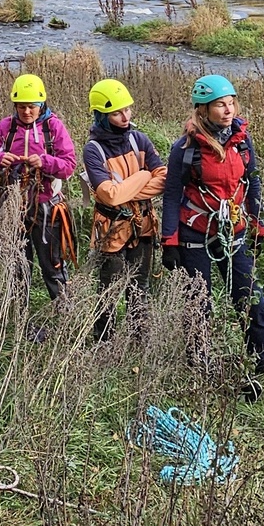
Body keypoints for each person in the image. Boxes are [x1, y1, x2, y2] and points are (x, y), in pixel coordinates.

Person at [160, 75, 264, 375]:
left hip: (234, 231)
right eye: (220, 105)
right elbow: (172, 193)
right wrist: (170, 241)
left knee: (250, 296)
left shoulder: (242, 140)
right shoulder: (184, 149)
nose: (228, 110)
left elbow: (251, 182)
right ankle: (200, 364)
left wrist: (259, 224)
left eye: (231, 103)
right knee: (198, 302)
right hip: (195, 232)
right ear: (202, 109)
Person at [0, 74, 78, 304]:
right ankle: (20, 317)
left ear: (41, 104)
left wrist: (44, 162)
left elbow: (69, 165)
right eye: (22, 107)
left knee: (53, 262)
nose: (27, 112)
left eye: (32, 107)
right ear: (15, 106)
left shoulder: (53, 127)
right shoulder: (6, 127)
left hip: (46, 206)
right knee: (16, 264)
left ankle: (64, 313)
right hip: (12, 204)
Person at [83, 78, 166, 342]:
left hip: (142, 226)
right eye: (117, 112)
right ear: (102, 115)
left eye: (127, 110)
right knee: (108, 288)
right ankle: (103, 340)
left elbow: (163, 176)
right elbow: (109, 195)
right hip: (112, 229)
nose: (125, 116)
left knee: (139, 286)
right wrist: (143, 175)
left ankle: (138, 338)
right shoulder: (93, 149)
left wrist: (126, 191)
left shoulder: (138, 138)